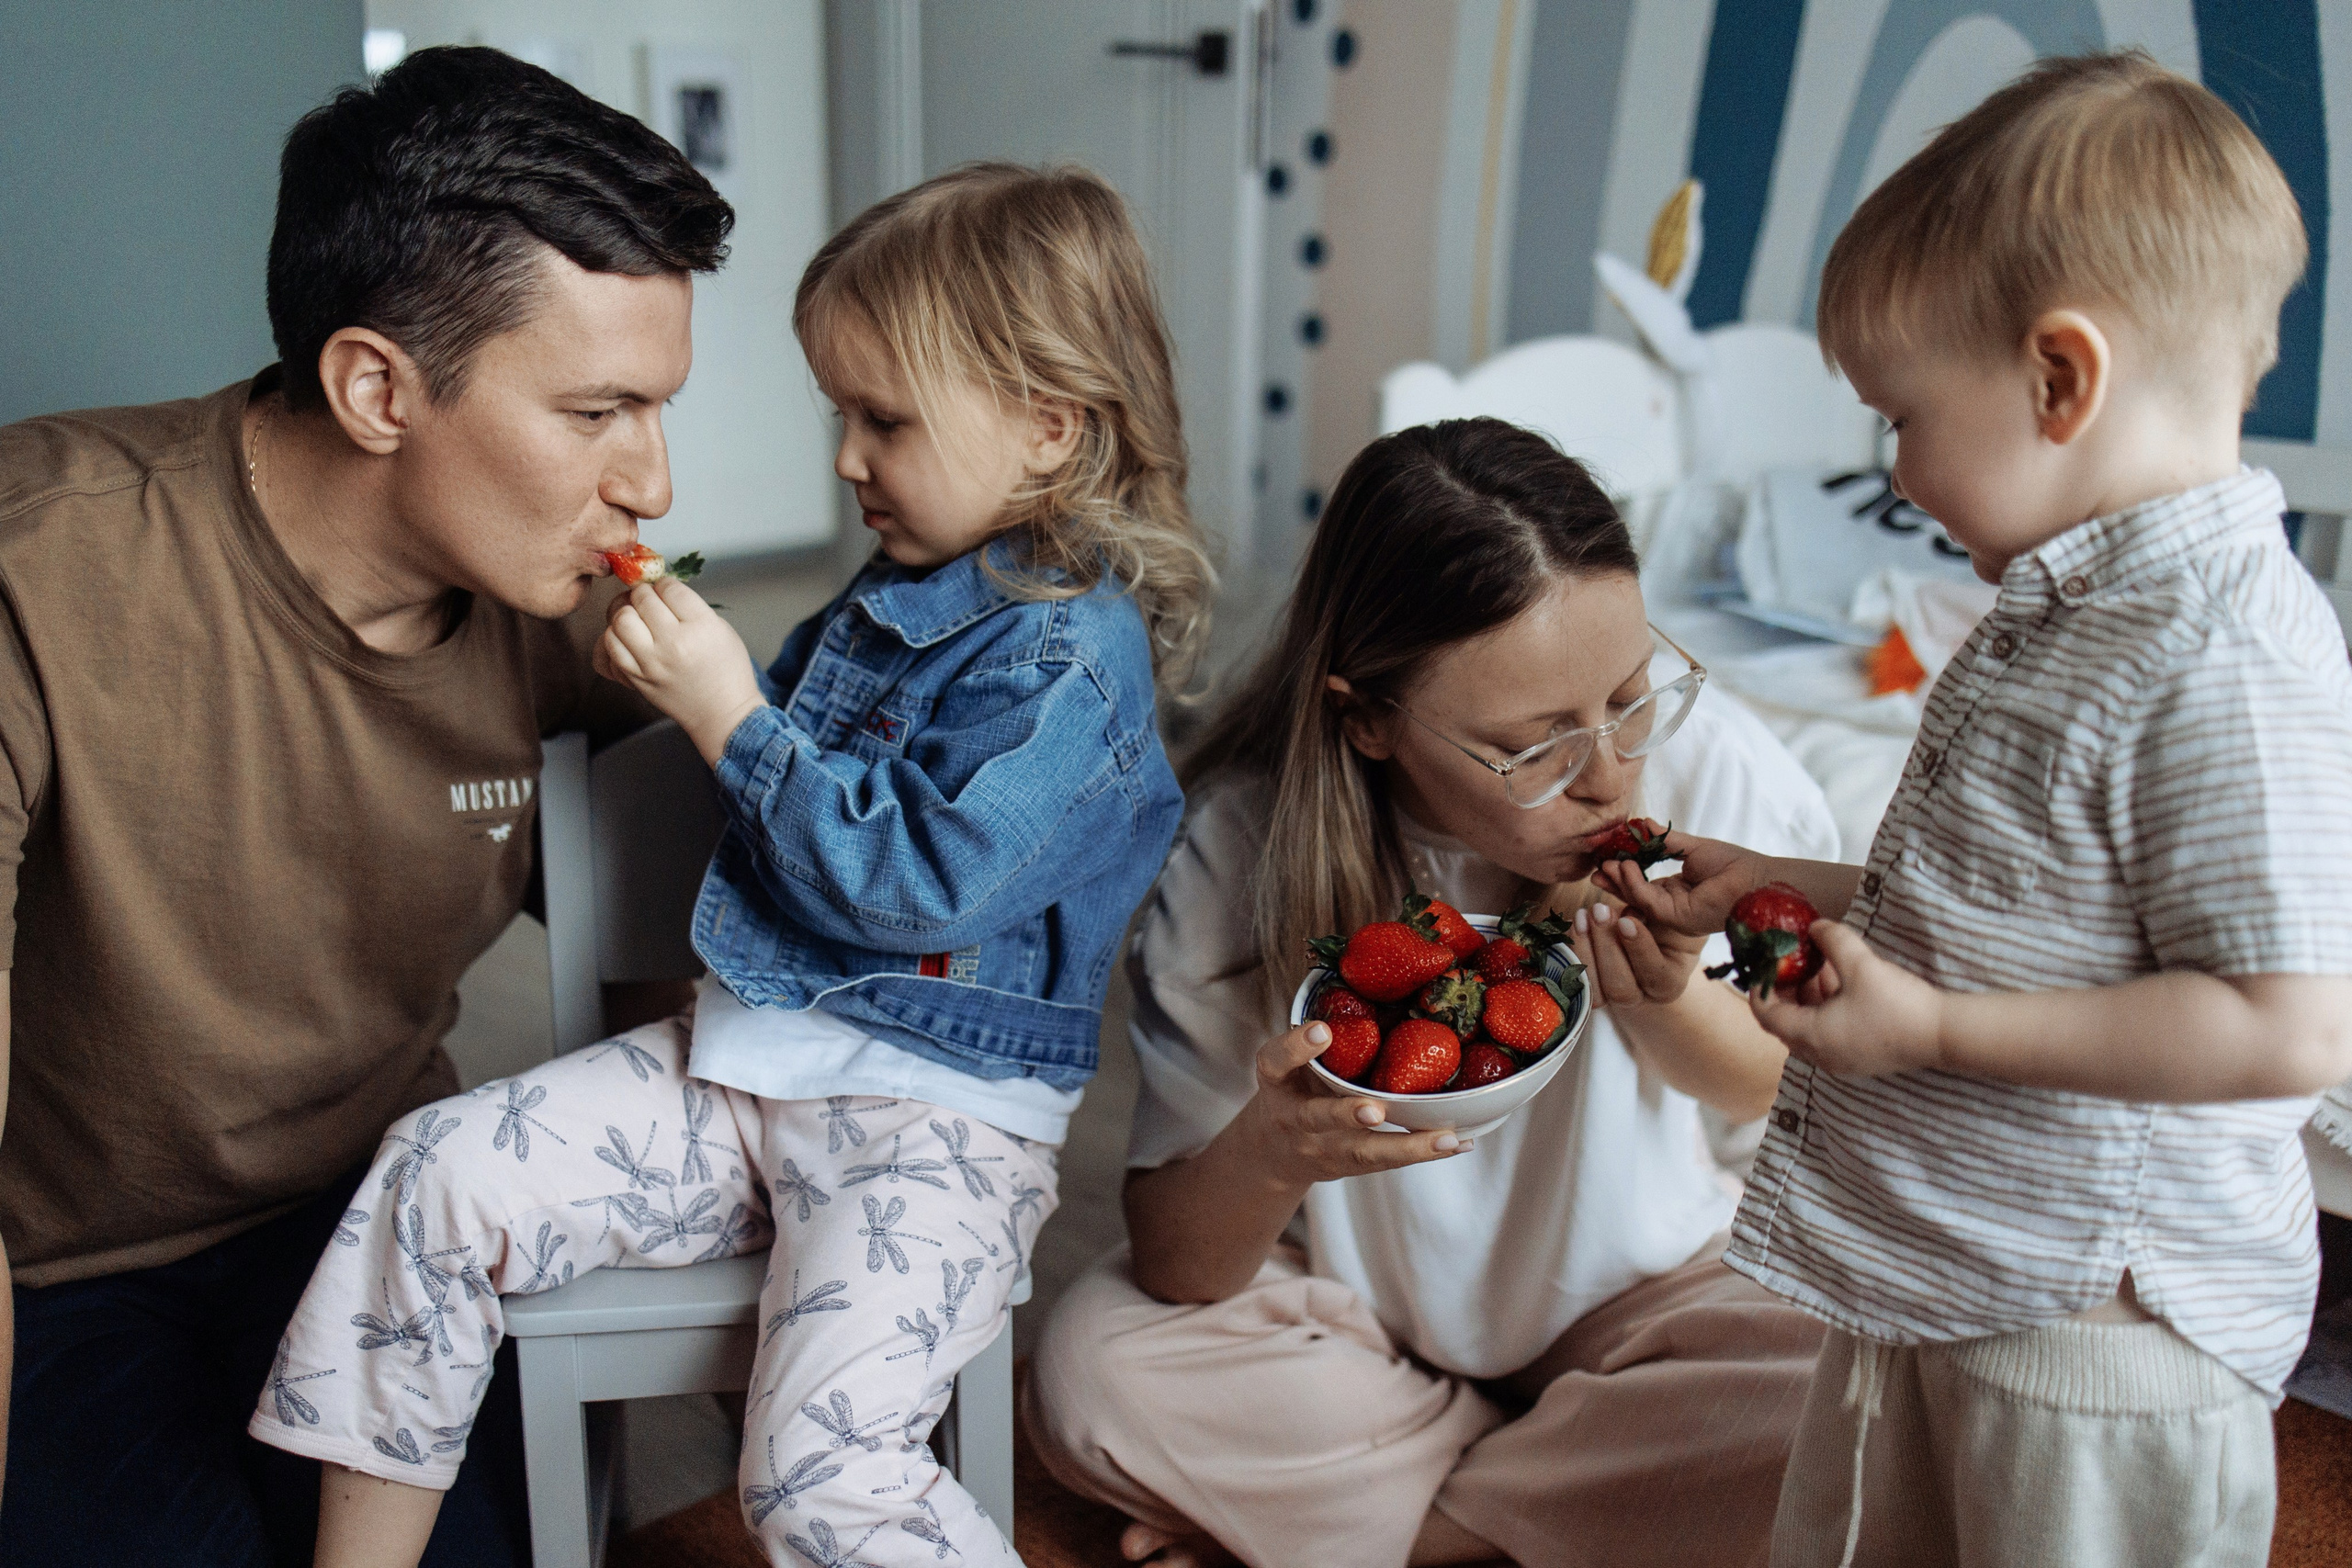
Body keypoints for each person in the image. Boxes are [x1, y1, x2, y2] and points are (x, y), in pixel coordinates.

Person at [252, 162, 1212, 1568]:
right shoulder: (892, 597)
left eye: (883, 417)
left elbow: (912, 880)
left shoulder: (1076, 660)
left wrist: (730, 715)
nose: (846, 455)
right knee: (434, 1173)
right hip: (744, 1069)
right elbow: (778, 760)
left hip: (932, 1122)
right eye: (841, 411)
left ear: (1050, 427)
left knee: (819, 1478)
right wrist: (695, 667)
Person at [1609, 52, 2352, 1568]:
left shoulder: (2223, 648)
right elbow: (2021, 906)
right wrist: (1794, 878)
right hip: (1947, 1258)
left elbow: (2285, 1027)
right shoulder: (2061, 599)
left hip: (2093, 1325)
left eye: (1900, 418)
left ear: (2059, 380)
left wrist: (1937, 1034)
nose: (1893, 462)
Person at [0, 47, 729, 1566]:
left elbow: (678, 952)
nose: (652, 485)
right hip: (61, 1273)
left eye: (657, 410)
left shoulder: (577, 612)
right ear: (374, 386)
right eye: (597, 411)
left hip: (385, 1223)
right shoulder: (37, 571)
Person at [1026, 418, 1837, 1568]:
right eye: (1533, 747)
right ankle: (1572, 1500)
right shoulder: (1241, 852)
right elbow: (1180, 1265)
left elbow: (1771, 1087)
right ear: (1366, 721)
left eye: (1631, 694)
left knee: (1853, 1375)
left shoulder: (1718, 778)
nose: (1610, 772)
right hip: (1364, 1319)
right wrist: (1271, 1149)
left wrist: (1666, 1002)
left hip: (1655, 1294)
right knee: (1094, 1371)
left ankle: (1426, 1531)